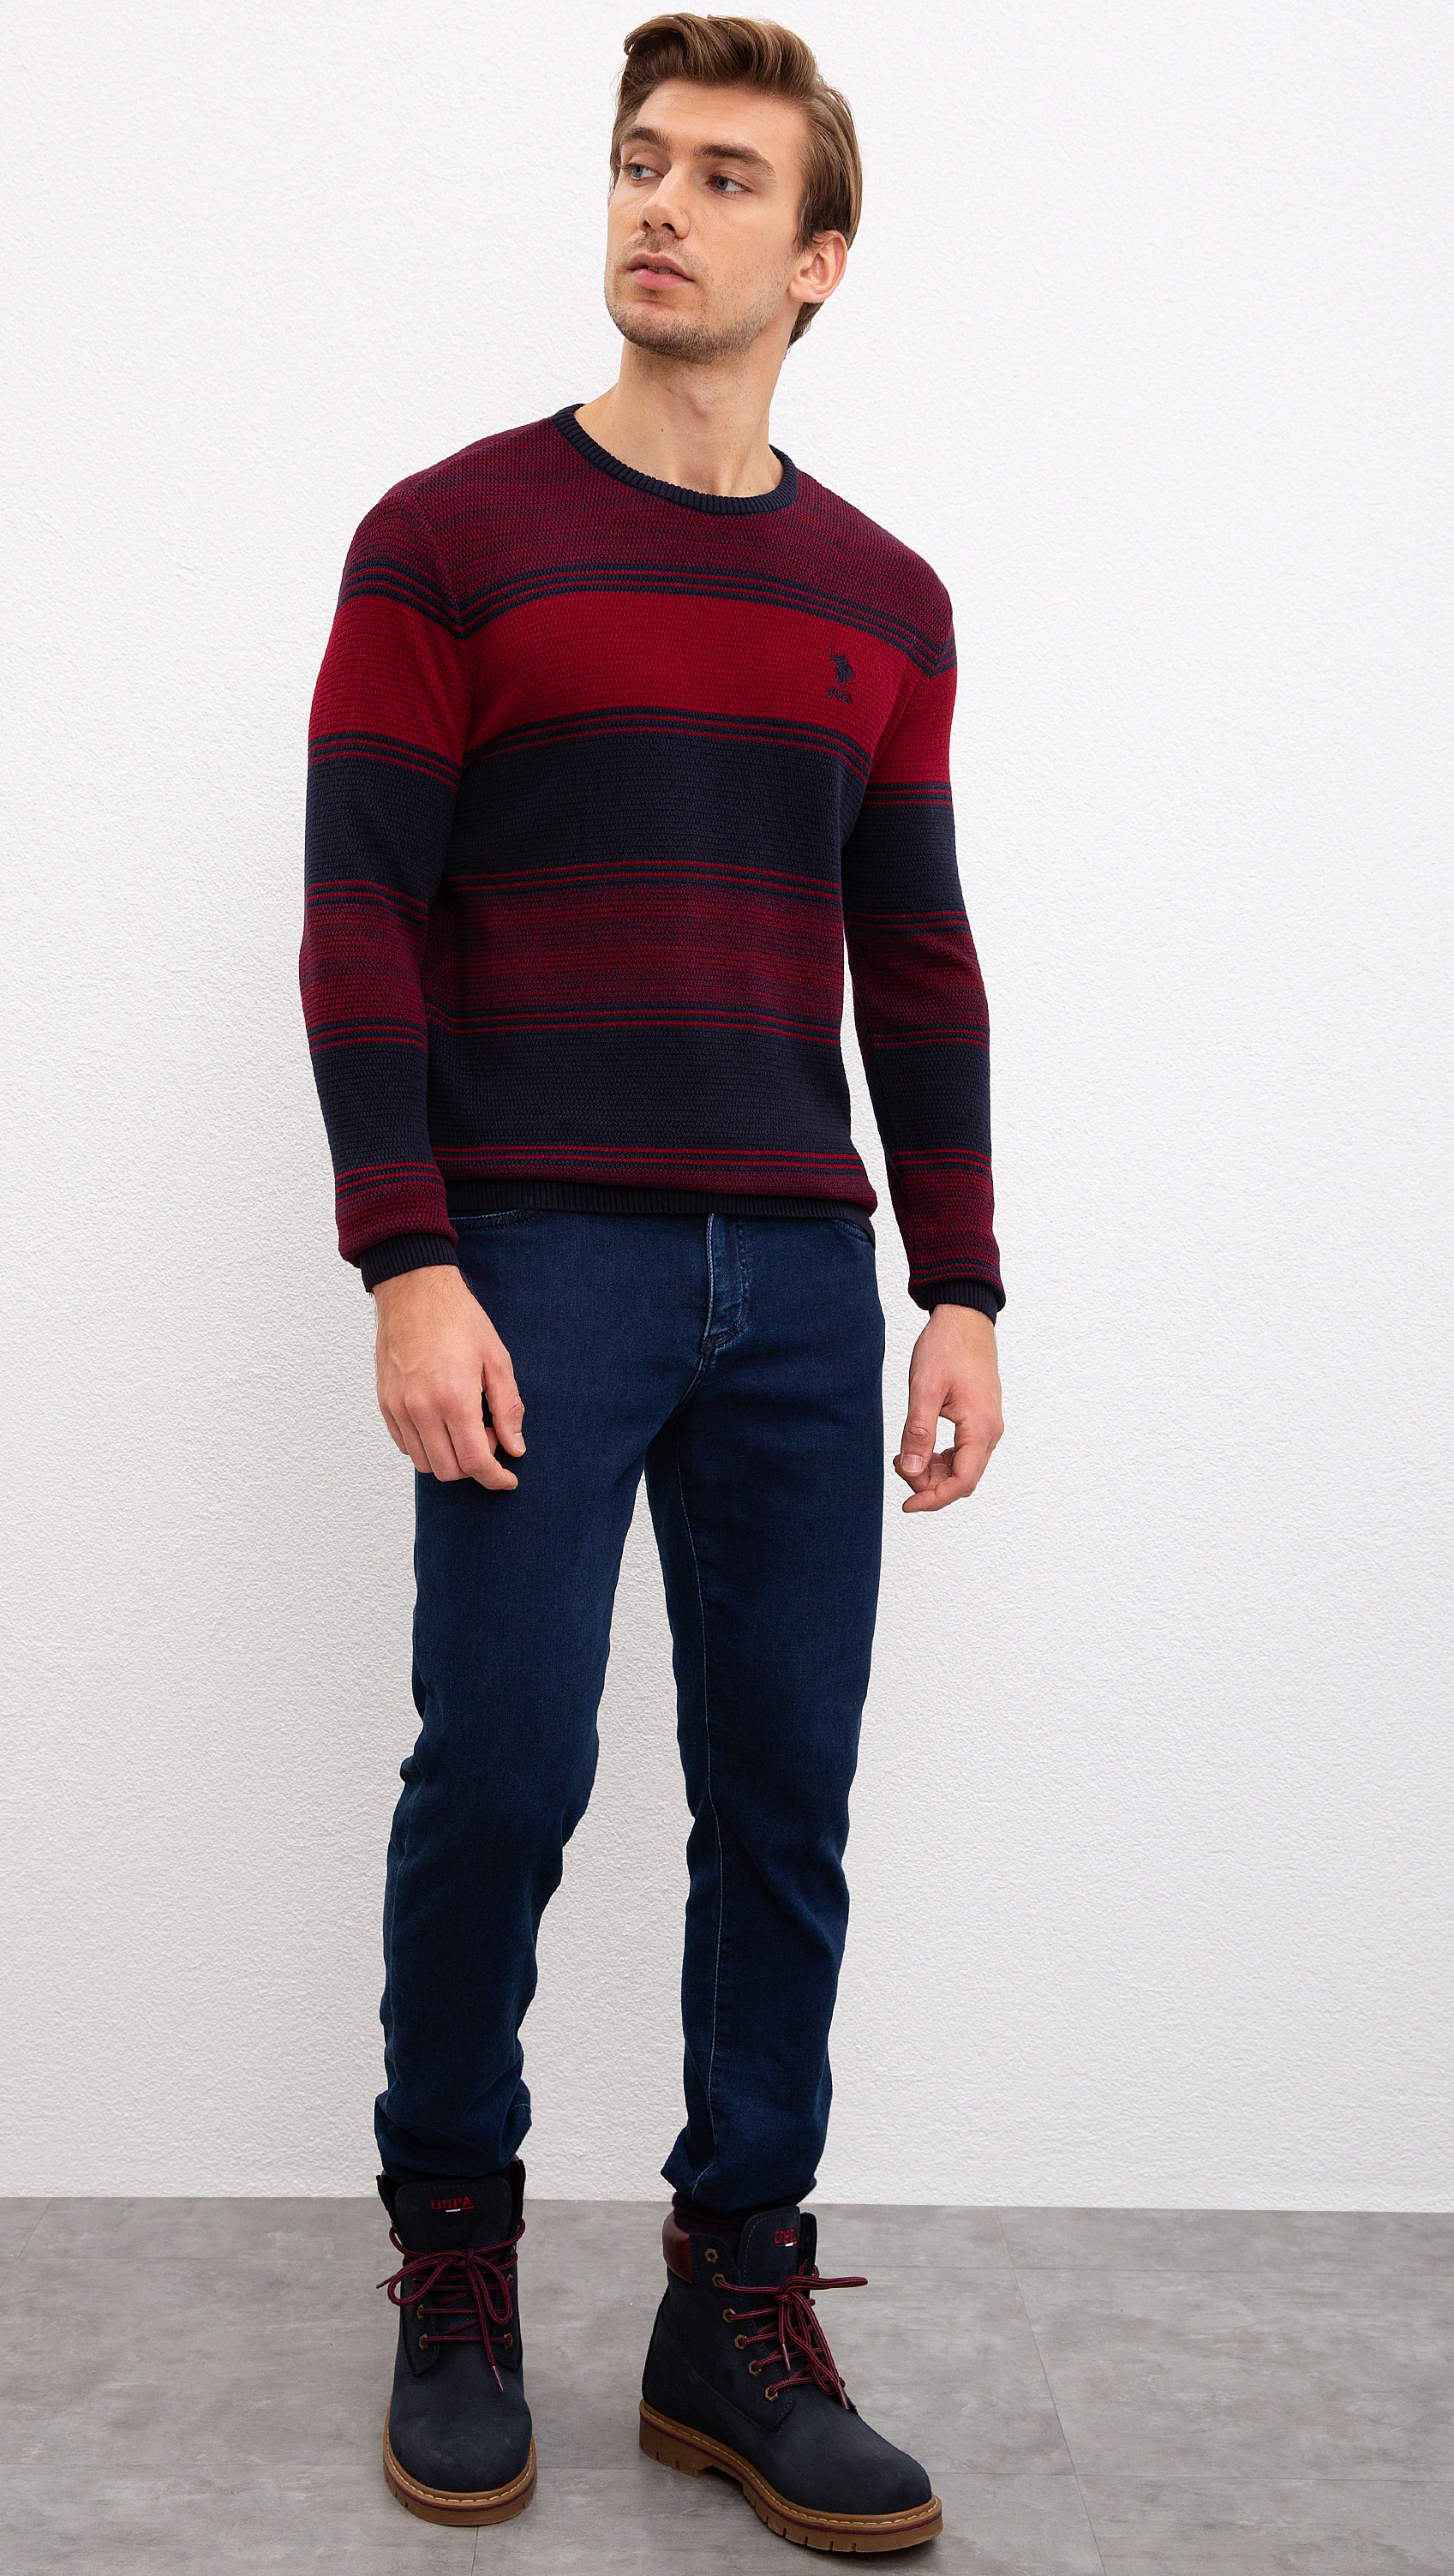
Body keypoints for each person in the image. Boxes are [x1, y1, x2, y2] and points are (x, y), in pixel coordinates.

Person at [300, 11, 1004, 2550]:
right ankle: (455, 2270)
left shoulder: (883, 600)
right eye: (638, 161)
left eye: (723, 177)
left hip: (801, 1281)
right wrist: (408, 1256)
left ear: (819, 260)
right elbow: (357, 917)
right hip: (538, 1261)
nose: (660, 206)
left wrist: (962, 1284)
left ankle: (735, 2309)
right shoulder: (449, 539)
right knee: (501, 1771)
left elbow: (915, 958)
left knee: (782, 1796)